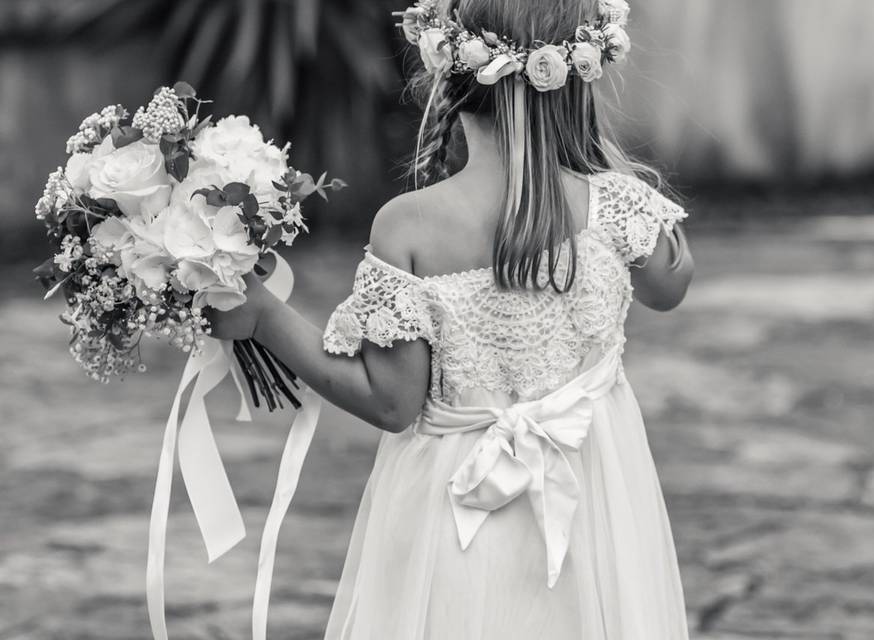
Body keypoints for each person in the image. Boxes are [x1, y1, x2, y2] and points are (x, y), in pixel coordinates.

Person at [209, 0, 694, 637]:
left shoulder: (409, 224)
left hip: (455, 504)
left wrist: (265, 315)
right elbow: (670, 287)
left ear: (448, 80)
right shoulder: (613, 203)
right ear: (578, 81)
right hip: (599, 494)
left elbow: (392, 403)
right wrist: (607, 168)